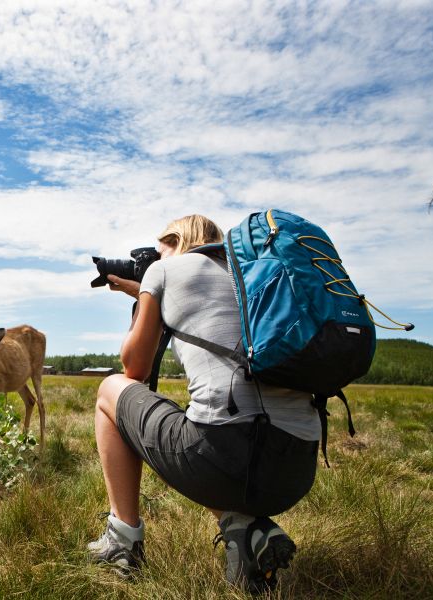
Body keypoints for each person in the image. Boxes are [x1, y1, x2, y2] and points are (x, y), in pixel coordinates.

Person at [87, 214, 321, 593]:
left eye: (158, 250)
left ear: (176, 241)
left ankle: (122, 541)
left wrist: (147, 294)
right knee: (208, 424)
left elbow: (134, 369)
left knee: (110, 389)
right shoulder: (251, 278)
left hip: (228, 459)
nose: (154, 260)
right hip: (296, 470)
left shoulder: (165, 272)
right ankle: (248, 534)